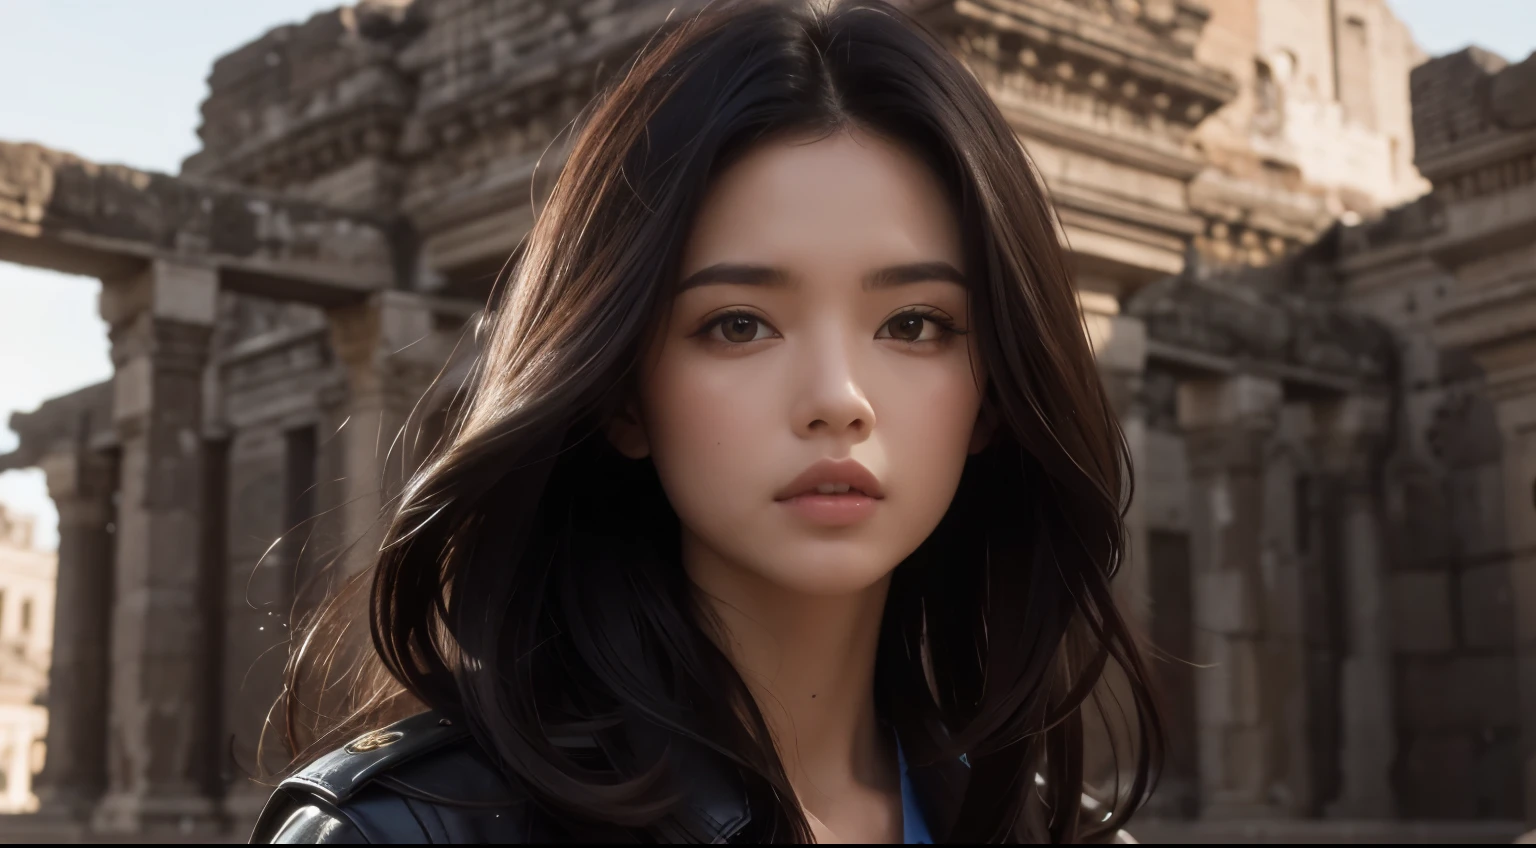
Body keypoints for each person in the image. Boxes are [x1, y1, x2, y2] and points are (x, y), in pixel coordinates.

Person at [252, 0, 1161, 842]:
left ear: (993, 398)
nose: (839, 397)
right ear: (620, 393)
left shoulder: (1068, 835)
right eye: (738, 325)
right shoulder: (401, 834)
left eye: (913, 324)